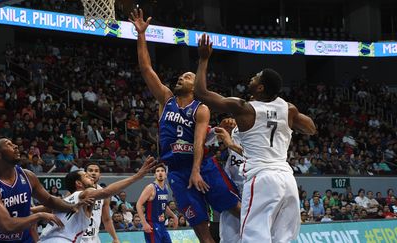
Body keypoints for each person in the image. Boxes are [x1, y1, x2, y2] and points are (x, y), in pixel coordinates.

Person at [129, 9, 241, 243]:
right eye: (180, 76)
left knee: (239, 211)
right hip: (177, 174)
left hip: (204, 167)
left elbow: (199, 142)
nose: (181, 78)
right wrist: (141, 35)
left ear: (194, 86)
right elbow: (146, 70)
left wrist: (197, 170)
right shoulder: (166, 100)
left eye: (187, 77)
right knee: (202, 233)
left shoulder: (201, 108)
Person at [193, 34, 316, 242]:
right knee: (282, 238)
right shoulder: (289, 108)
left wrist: (204, 59)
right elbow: (311, 128)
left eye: (256, 77)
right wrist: (286, 114)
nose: (252, 77)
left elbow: (201, 93)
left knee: (253, 236)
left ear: (260, 87)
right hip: (287, 179)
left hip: (262, 178)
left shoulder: (244, 108)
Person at [0, 138, 89, 243]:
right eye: (9, 145)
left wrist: (71, 206)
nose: (15, 146)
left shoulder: (28, 176)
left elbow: (49, 200)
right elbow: (7, 226)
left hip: (23, 240)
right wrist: (39, 215)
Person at [37, 156, 157, 243]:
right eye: (87, 174)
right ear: (78, 183)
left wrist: (39, 215)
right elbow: (106, 191)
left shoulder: (66, 198)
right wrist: (137, 176)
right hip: (68, 239)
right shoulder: (85, 193)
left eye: (95, 171)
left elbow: (106, 218)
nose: (91, 175)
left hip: (53, 238)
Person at [136, 164, 178, 243]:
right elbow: (138, 204)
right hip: (152, 224)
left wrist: (173, 216)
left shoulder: (166, 187)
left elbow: (164, 206)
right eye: (157, 171)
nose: (160, 173)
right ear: (155, 175)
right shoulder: (151, 187)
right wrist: (144, 223)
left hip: (162, 224)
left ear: (165, 175)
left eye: (162, 171)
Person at [82, 162, 120, 243]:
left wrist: (115, 238)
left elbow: (106, 219)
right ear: (85, 174)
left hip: (94, 237)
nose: (93, 173)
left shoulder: (104, 194)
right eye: (90, 170)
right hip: (77, 236)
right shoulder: (76, 190)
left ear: (100, 175)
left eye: (96, 171)